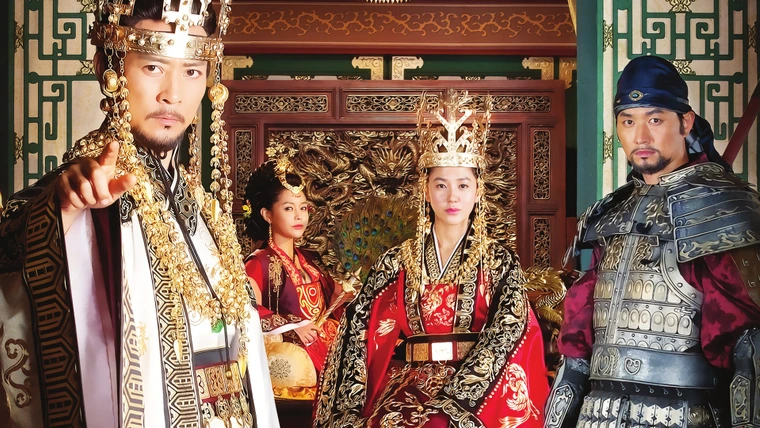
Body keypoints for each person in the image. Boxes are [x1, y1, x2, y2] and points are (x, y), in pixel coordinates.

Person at [0, 1, 279, 427]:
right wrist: (61, 211)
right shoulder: (85, 193)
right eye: (153, 67)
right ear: (107, 68)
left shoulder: (203, 207)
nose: (173, 94)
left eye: (192, 71)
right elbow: (12, 255)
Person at [544, 55, 760, 427]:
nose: (640, 136)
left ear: (686, 122)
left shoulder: (723, 211)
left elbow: (749, 345)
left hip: (683, 415)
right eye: (628, 121)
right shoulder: (610, 213)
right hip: (598, 416)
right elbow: (578, 344)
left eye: (655, 119)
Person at [314, 90, 550, 427]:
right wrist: (348, 408)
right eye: (441, 185)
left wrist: (459, 399)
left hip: (478, 393)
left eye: (463, 186)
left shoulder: (499, 262)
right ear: (426, 190)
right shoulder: (397, 261)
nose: (452, 197)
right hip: (408, 386)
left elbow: (509, 331)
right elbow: (358, 325)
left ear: (478, 191)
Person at [242, 153, 352, 398]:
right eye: (288, 208)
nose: (299, 216)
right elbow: (246, 310)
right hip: (294, 360)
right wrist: (293, 325)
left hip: (325, 350)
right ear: (267, 215)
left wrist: (345, 295)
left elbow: (333, 303)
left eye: (303, 208)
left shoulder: (310, 260)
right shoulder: (258, 263)